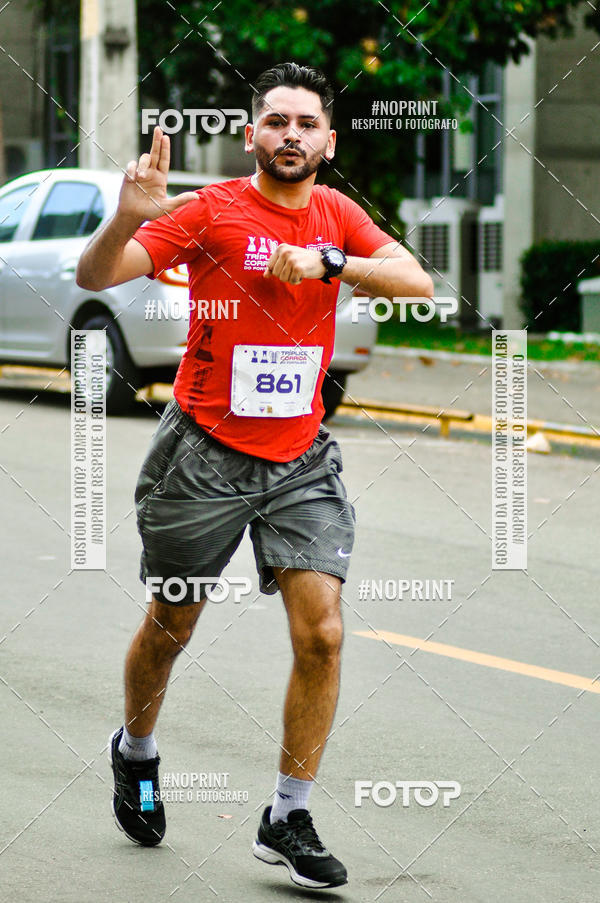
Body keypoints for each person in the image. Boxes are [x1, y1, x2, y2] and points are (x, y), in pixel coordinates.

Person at [76, 61, 433, 890]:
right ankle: (135, 751)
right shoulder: (210, 211)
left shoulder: (337, 216)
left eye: (307, 123)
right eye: (276, 121)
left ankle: (288, 812)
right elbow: (97, 277)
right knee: (171, 629)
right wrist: (124, 216)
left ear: (328, 141)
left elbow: (417, 281)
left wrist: (328, 265)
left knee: (324, 632)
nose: (291, 136)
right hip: (201, 455)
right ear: (251, 133)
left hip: (301, 458)